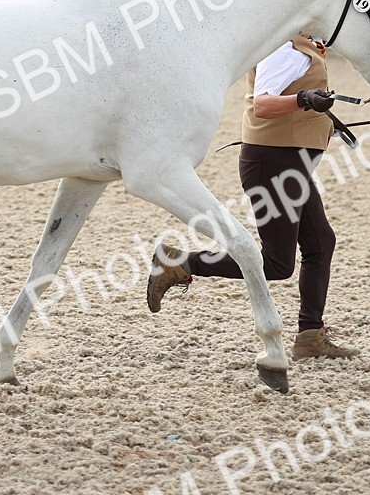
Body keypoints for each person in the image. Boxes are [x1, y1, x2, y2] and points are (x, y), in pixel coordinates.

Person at [145, 33, 358, 359]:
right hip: (274, 164)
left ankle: (310, 336)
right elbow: (263, 104)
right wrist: (304, 99)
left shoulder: (302, 44)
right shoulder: (283, 47)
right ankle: (179, 262)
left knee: (320, 243)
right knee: (277, 263)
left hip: (290, 162)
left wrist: (319, 117)